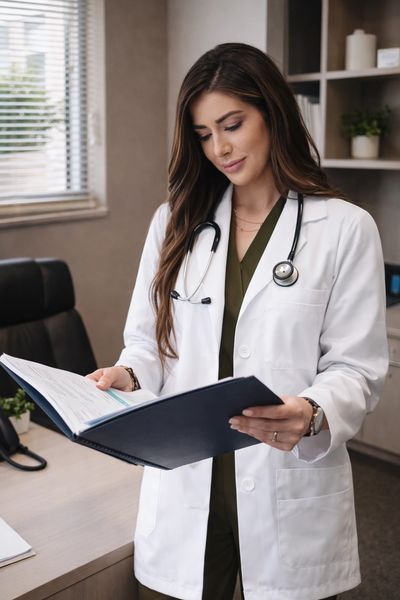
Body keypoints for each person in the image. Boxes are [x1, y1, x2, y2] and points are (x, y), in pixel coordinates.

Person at [87, 43, 388, 600]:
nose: (219, 148)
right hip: (189, 477)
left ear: (271, 112)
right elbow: (146, 345)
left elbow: (357, 368)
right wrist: (125, 377)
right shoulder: (176, 222)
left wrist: (314, 411)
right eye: (203, 134)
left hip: (285, 472)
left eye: (232, 124)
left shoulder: (345, 228)